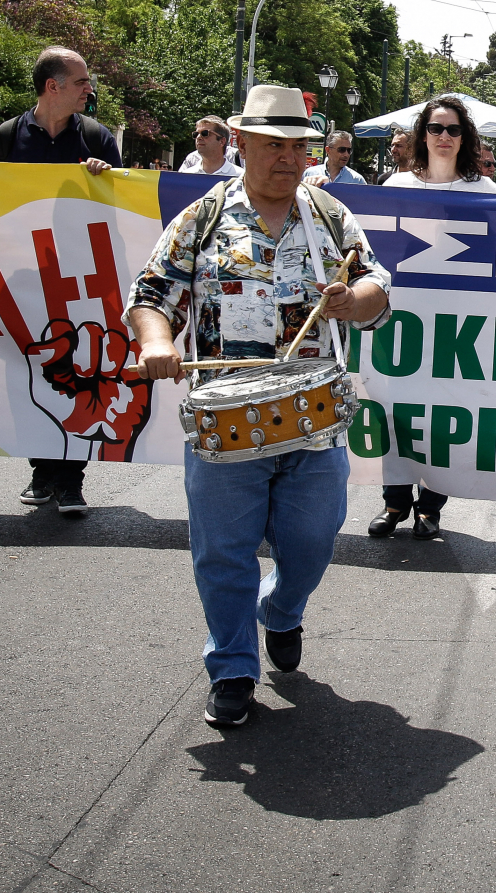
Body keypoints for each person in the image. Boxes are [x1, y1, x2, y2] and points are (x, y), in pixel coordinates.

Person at [126, 84, 391, 728]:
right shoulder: (202, 219)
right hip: (227, 419)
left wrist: (356, 302)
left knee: (313, 538)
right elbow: (153, 294)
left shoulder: (329, 216)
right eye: (274, 145)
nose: (288, 158)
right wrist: (158, 342)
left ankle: (283, 609)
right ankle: (234, 665)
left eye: (298, 146)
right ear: (240, 144)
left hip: (314, 417)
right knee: (223, 548)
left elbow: (376, 282)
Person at [0, 46, 121, 516]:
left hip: (79, 279)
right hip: (23, 278)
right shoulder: (6, 137)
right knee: (30, 374)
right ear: (52, 86)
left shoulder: (99, 138)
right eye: (81, 81)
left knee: (80, 372)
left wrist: (108, 180)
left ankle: (70, 480)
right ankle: (42, 472)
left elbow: (118, 210)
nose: (90, 89)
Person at [374, 96, 496, 537]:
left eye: (452, 130)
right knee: (396, 412)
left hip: (457, 330)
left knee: (444, 416)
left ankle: (431, 507)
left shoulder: (483, 190)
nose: (443, 137)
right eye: (435, 128)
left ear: (464, 138)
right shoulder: (395, 187)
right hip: (401, 325)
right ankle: (394, 504)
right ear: (421, 135)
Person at [302, 129, 367, 188]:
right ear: (328, 150)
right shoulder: (310, 174)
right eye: (342, 149)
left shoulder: (357, 180)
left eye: (349, 150)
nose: (346, 154)